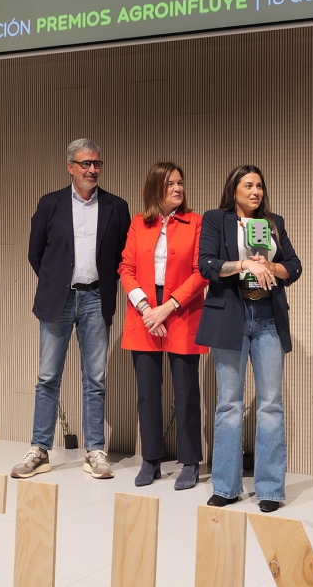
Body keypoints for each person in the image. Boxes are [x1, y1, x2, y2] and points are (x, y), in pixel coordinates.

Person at [12, 139, 131, 480]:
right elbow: (36, 254)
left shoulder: (116, 206)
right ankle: (39, 449)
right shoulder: (50, 204)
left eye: (97, 164)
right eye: (85, 164)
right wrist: (56, 283)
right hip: (59, 300)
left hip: (96, 299)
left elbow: (123, 257)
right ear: (70, 167)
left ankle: (95, 450)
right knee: (47, 378)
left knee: (95, 379)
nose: (92, 170)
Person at [195, 166, 302, 512]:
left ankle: (270, 489)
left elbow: (294, 266)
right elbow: (207, 265)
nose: (255, 191)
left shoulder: (273, 223)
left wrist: (270, 267)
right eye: (248, 185)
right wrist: (244, 265)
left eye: (260, 186)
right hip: (231, 318)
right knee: (229, 404)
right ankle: (226, 486)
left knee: (270, 404)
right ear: (234, 189)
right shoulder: (216, 219)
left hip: (268, 317)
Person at [118, 162, 209, 490]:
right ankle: (150, 458)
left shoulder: (196, 222)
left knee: (186, 391)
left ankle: (189, 461)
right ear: (155, 188)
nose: (177, 188)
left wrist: (167, 307)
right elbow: (126, 267)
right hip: (144, 311)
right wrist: (146, 308)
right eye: (170, 183)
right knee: (146, 393)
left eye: (180, 183)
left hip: (181, 310)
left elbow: (202, 272)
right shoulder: (139, 223)